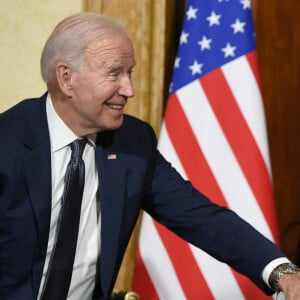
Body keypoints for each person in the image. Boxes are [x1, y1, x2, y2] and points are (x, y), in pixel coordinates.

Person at [0, 12, 299, 300]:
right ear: (66, 78)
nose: (128, 89)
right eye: (113, 74)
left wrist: (281, 271)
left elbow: (201, 217)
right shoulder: (8, 143)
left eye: (129, 73)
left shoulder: (132, 142)